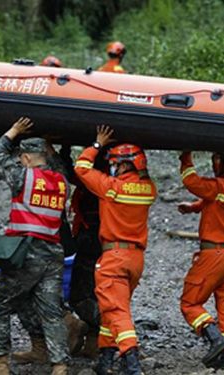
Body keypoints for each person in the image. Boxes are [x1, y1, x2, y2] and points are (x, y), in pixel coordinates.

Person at [0, 117, 70, 375]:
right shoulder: (61, 181)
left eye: (21, 157)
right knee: (50, 311)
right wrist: (52, 149)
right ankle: (59, 365)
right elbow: (60, 165)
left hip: (27, 253)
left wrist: (13, 132)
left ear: (27, 158)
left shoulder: (22, 176)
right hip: (53, 253)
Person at [74, 125, 157, 375]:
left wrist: (97, 144)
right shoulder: (148, 189)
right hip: (136, 259)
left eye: (115, 164)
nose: (112, 167)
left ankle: (131, 362)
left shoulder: (111, 187)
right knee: (112, 309)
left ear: (124, 165)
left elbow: (81, 168)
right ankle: (105, 360)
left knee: (116, 310)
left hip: (114, 257)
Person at [177, 151, 224, 369]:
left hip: (214, 255)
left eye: (219, 159)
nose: (215, 162)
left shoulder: (218, 186)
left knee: (190, 303)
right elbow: (217, 200)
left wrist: (185, 157)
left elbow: (191, 181)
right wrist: (194, 207)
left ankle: (214, 337)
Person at [61, 146, 107, 359]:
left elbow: (75, 173)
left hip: (91, 243)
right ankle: (94, 343)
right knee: (97, 292)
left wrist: (61, 152)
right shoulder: (112, 180)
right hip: (104, 244)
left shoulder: (97, 181)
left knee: (80, 296)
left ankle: (112, 328)